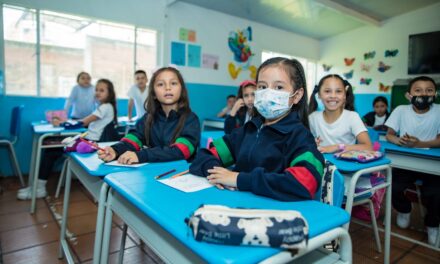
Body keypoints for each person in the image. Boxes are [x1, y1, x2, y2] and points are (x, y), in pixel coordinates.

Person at [189, 57, 324, 201]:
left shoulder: (300, 136)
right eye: (262, 87)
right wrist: (218, 174)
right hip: (235, 204)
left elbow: (305, 183)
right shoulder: (248, 130)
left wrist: (239, 179)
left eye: (279, 87)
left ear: (296, 96)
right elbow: (204, 156)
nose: (268, 93)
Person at [17, 79, 118, 200]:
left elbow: (82, 122)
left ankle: (39, 188)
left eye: (102, 90)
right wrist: (64, 122)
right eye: (96, 89)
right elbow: (86, 123)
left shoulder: (105, 107)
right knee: (52, 150)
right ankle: (37, 186)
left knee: (51, 152)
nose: (97, 92)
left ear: (110, 93)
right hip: (89, 140)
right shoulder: (104, 107)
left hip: (91, 143)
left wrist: (61, 123)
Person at [98, 66, 200, 164]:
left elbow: (180, 151)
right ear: (154, 94)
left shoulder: (190, 120)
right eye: (160, 84)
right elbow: (132, 139)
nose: (168, 88)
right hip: (151, 174)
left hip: (180, 177)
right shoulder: (148, 119)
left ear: (181, 90)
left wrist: (142, 155)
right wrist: (115, 150)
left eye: (173, 83)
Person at [385, 76, 440, 246]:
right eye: (418, 90)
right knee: (393, 186)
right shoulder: (401, 110)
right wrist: (398, 141)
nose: (423, 94)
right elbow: (390, 134)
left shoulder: (439, 110)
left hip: (433, 164)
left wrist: (420, 144)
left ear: (435, 94)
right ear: (409, 95)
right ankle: (404, 210)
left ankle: (432, 224)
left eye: (429, 90)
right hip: (406, 161)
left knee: (435, 194)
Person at [308, 74, 372, 153]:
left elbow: (368, 146)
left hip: (346, 164)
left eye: (338, 91)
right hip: (323, 162)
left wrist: (338, 147)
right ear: (319, 95)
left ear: (344, 95)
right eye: (327, 91)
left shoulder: (352, 117)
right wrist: (311, 143)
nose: (333, 96)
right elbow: (304, 142)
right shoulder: (313, 118)